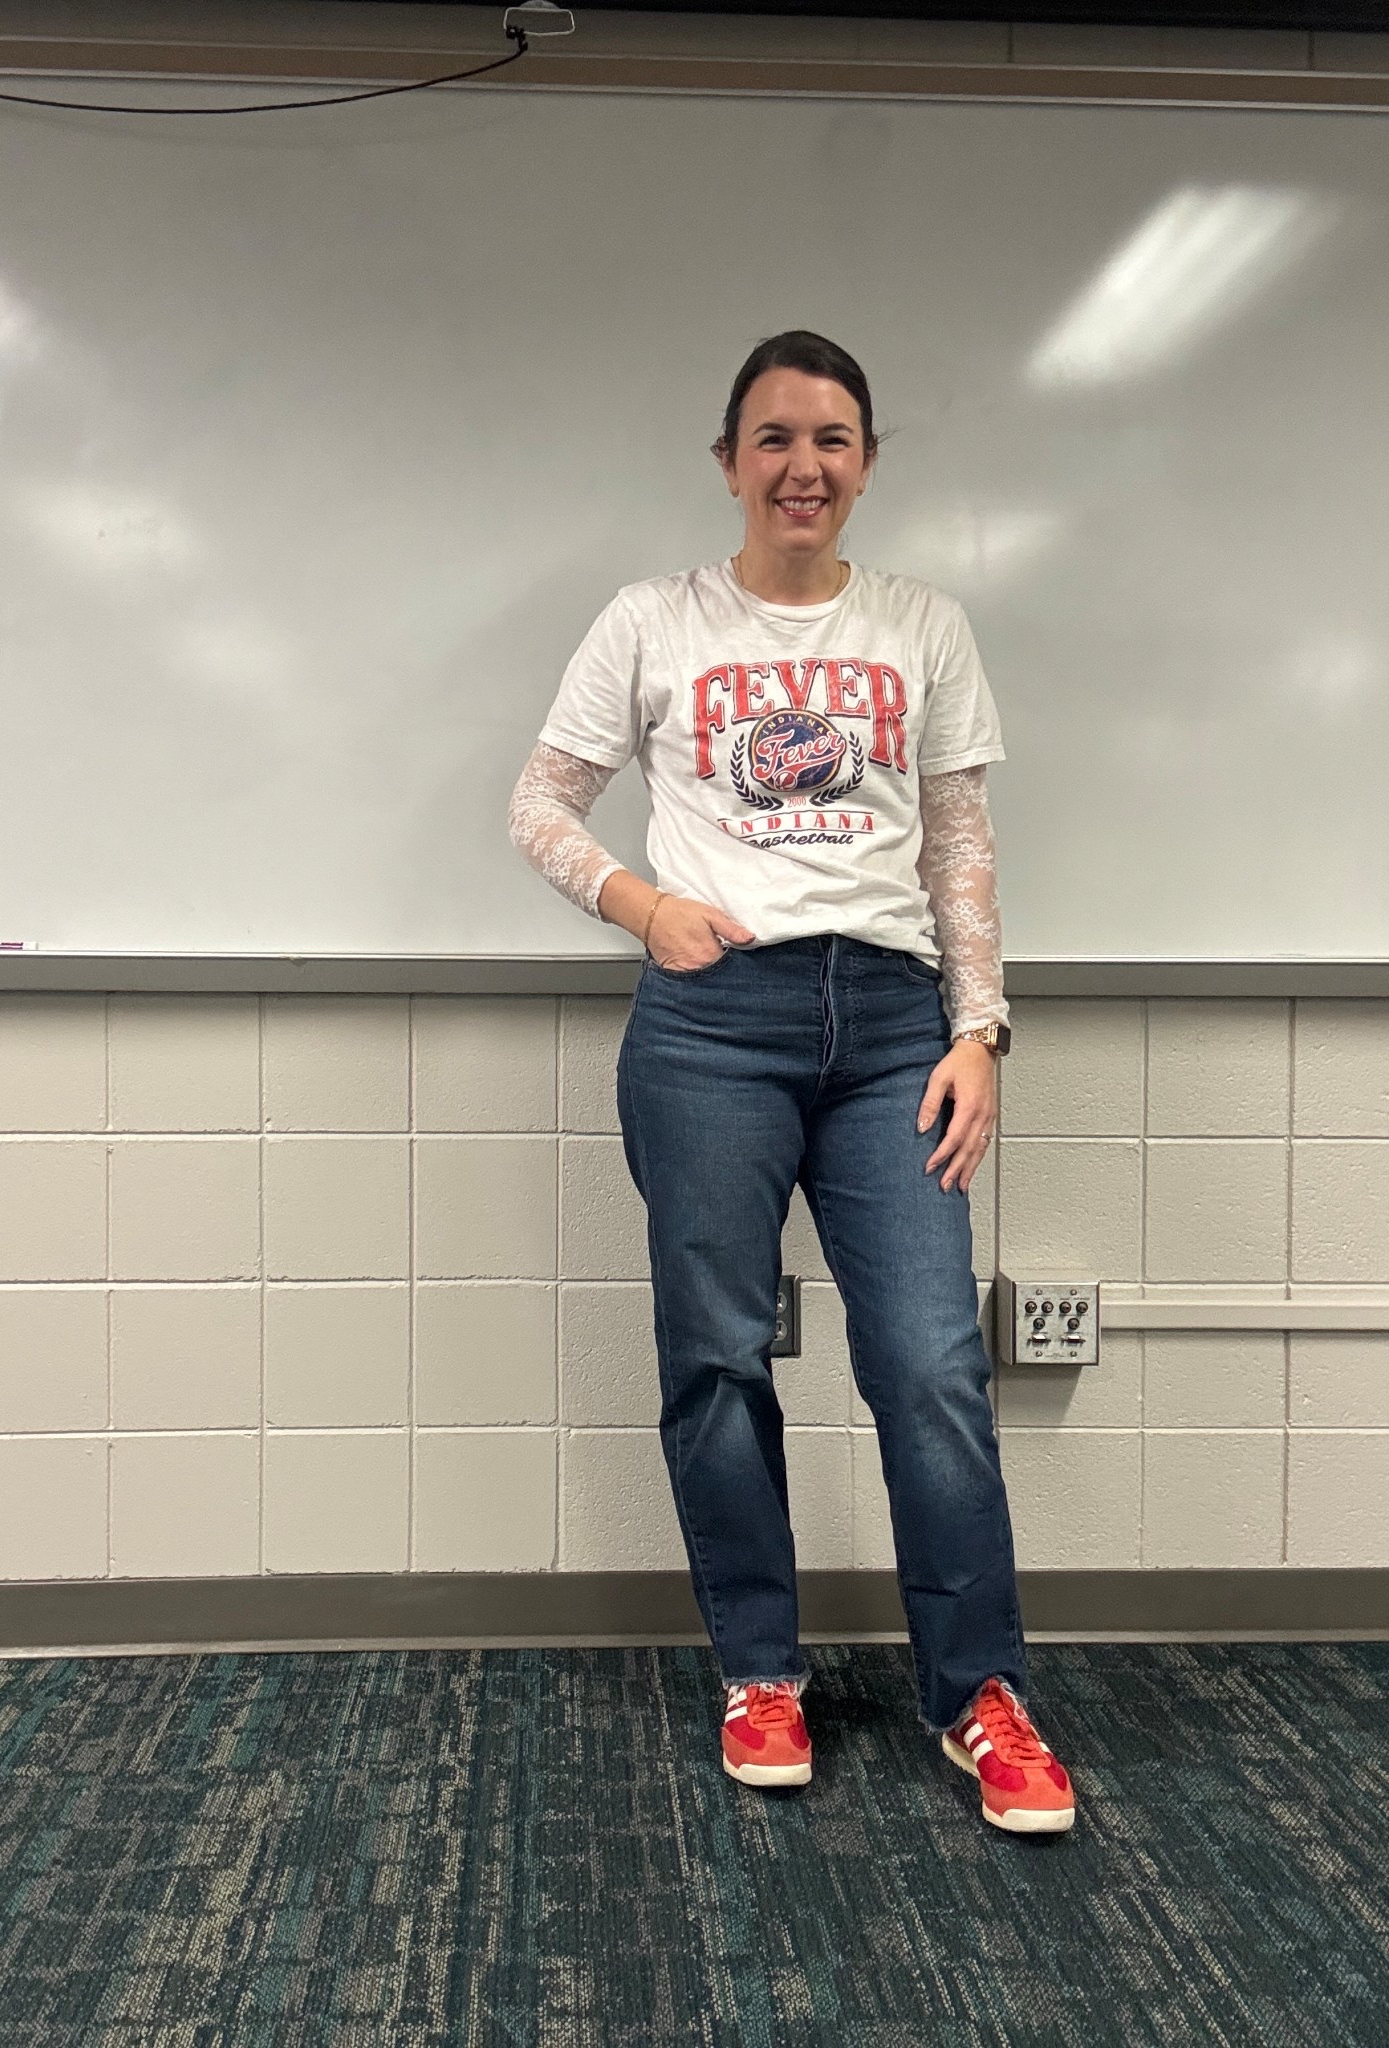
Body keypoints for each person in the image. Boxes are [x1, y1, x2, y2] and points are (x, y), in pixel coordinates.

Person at [509, 331, 1074, 1836]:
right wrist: (644, 908)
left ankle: (979, 1694)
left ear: (868, 461)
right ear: (728, 461)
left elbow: (957, 841)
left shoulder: (923, 625)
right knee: (715, 1356)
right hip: (711, 1024)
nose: (802, 466)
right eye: (773, 438)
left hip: (894, 1024)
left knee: (933, 1367)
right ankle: (760, 1669)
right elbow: (539, 803)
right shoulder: (653, 620)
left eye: (831, 439)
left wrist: (981, 1031)